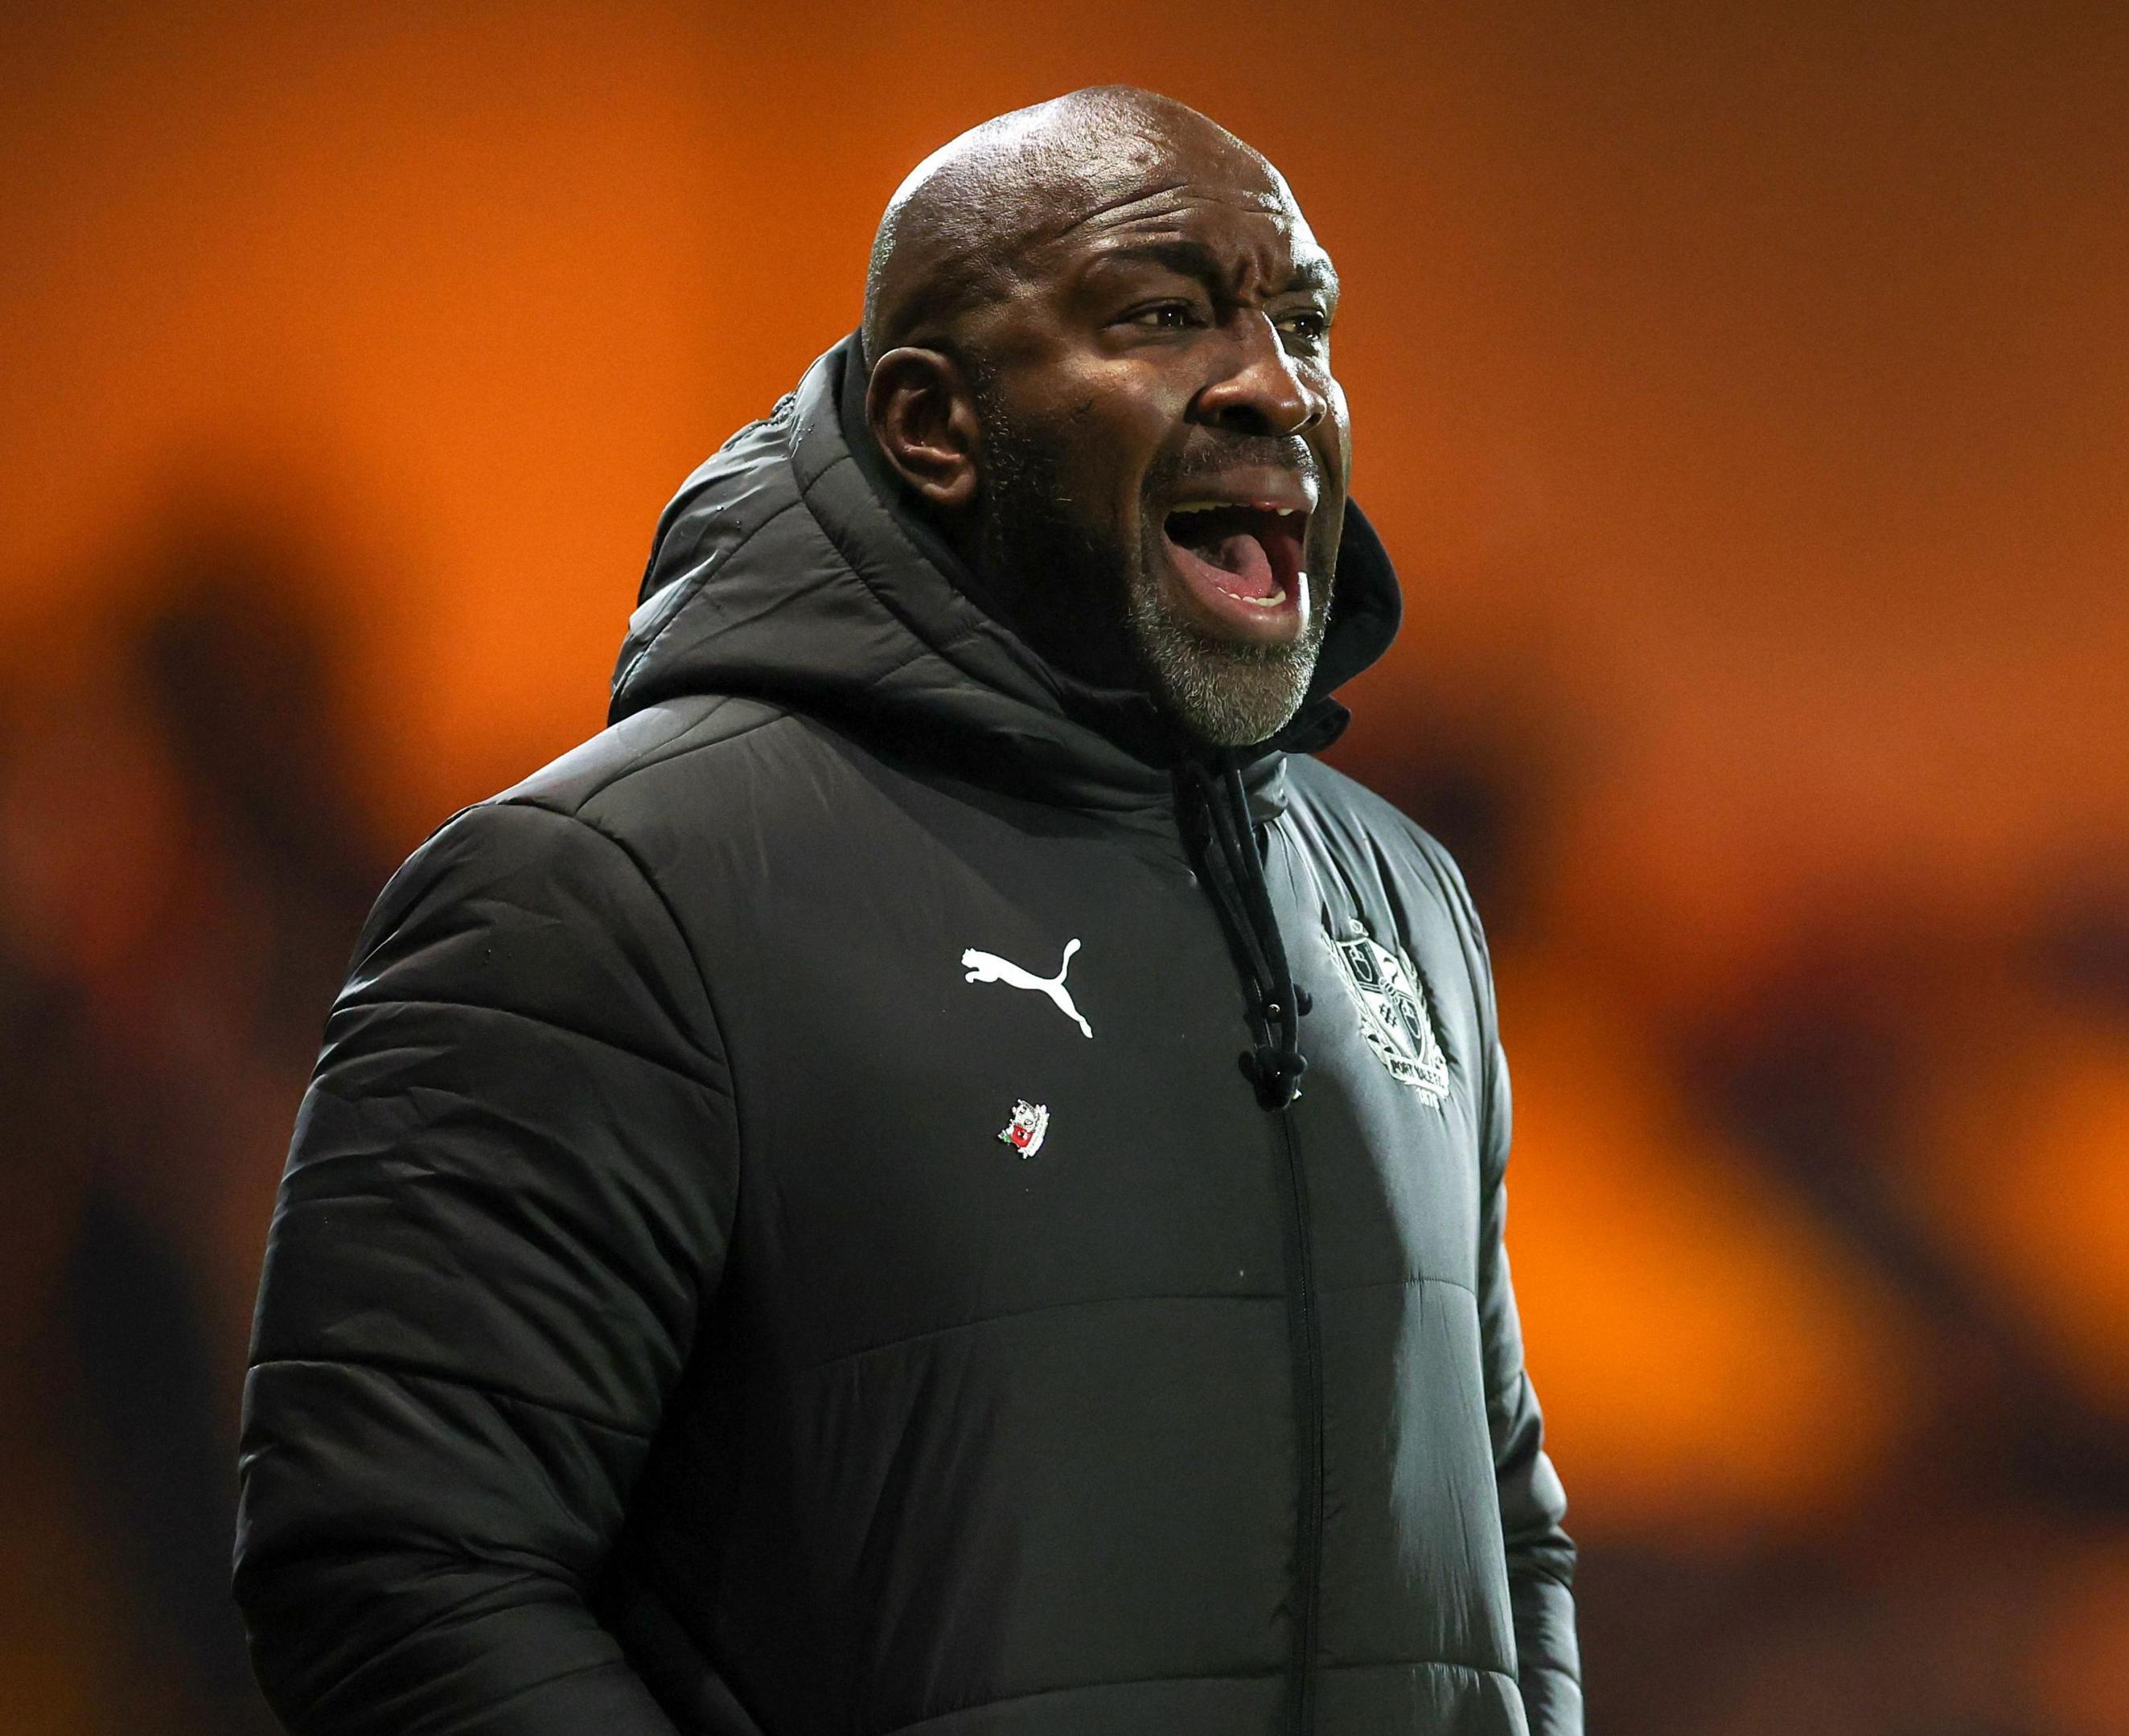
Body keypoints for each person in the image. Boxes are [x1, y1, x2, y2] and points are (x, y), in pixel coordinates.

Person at [232, 87, 1579, 1736]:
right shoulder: (606, 895)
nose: (1274, 384)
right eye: (1163, 314)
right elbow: (398, 1575)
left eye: (1301, 319)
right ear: (937, 427)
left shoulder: (1406, 898)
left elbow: (1505, 1519)